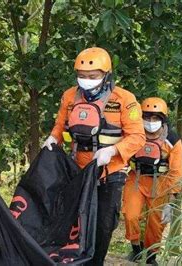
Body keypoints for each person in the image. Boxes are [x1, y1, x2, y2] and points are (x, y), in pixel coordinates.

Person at [42, 47, 145, 265]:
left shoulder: (124, 99)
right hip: (77, 170)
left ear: (106, 75)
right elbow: (60, 125)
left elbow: (137, 137)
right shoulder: (70, 96)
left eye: (92, 76)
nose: (86, 80)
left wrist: (113, 151)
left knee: (103, 225)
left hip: (110, 172)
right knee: (74, 222)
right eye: (81, 76)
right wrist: (53, 138)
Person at [122, 97, 182, 265]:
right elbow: (123, 153)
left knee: (156, 223)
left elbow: (176, 171)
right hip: (137, 178)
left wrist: (171, 201)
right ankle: (135, 248)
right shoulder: (134, 133)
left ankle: (151, 256)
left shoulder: (171, 139)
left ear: (163, 119)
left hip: (161, 183)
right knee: (131, 215)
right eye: (147, 117)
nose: (150, 122)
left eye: (155, 118)